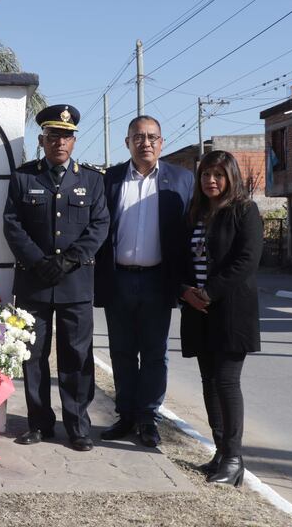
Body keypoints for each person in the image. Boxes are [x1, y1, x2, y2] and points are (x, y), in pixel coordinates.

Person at [3, 104, 109, 452]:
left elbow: (99, 226)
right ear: (42, 139)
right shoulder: (24, 177)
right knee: (33, 356)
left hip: (75, 283)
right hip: (34, 283)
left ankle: (78, 426)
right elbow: (12, 224)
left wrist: (69, 261)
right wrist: (37, 261)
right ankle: (39, 424)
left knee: (76, 357)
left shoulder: (92, 180)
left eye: (65, 136)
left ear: (74, 141)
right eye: (52, 136)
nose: (59, 142)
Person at [94, 116, 193, 448]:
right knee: (121, 352)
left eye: (152, 137)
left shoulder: (182, 180)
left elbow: (192, 232)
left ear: (162, 142)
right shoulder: (110, 180)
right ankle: (125, 415)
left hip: (157, 279)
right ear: (127, 143)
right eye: (138, 137)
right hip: (118, 278)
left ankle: (148, 418)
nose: (145, 143)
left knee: (154, 353)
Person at [180, 150, 263, 487]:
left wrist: (209, 292)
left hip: (229, 311)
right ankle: (219, 452)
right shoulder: (196, 214)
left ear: (231, 177)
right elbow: (182, 258)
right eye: (205, 175)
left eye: (218, 175)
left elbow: (246, 260)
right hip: (197, 311)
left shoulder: (245, 211)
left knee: (227, 382)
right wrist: (185, 290)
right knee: (208, 382)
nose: (211, 181)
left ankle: (233, 458)